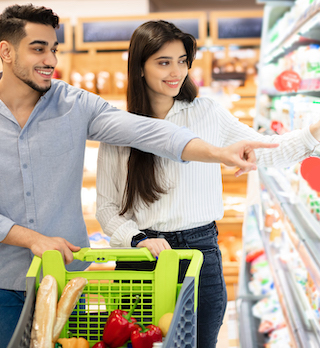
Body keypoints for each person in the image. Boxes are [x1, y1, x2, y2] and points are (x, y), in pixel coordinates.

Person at [0, 4, 279, 346]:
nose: (51, 60)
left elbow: (151, 133)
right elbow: (109, 207)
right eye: (38, 48)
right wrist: (30, 238)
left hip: (65, 278)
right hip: (3, 280)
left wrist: (217, 153)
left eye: (54, 49)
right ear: (6, 51)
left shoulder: (75, 105)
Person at [95, 20, 320, 348]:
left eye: (182, 61)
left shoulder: (207, 114)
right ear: (139, 67)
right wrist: (137, 239)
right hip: (141, 259)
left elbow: (263, 151)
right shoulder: (120, 128)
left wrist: (312, 133)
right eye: (163, 62)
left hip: (199, 252)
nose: (176, 71)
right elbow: (106, 209)